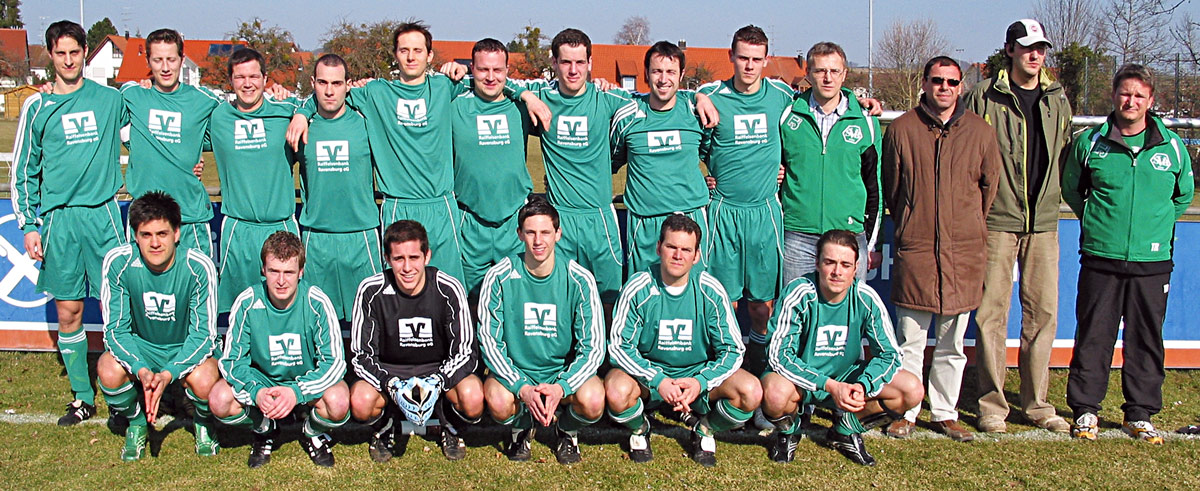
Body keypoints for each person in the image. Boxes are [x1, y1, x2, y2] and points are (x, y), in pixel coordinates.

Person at [287, 22, 548, 284]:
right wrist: (302, 112)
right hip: (398, 205)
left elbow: (489, 79)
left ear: (430, 56)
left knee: (448, 288)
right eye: (404, 50)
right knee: (399, 291)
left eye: (417, 50)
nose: (411, 57)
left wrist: (526, 94)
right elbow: (331, 91)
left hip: (441, 205)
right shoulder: (376, 93)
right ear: (395, 55)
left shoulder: (446, 86)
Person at [1062, 64, 1193, 444]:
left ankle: (1140, 413)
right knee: (1094, 335)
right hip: (1101, 256)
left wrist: (1155, 225)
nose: (1130, 101)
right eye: (1124, 93)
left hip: (1152, 262)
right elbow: (1073, 189)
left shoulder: (1171, 147)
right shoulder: (1091, 143)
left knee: (1146, 338)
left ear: (1151, 101)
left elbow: (1181, 196)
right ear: (1114, 97)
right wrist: (1098, 221)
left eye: (1139, 95)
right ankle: (1086, 410)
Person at [11, 20, 128, 425]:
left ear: (84, 53)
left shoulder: (110, 100)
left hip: (103, 217)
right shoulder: (37, 106)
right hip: (59, 222)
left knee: (119, 309)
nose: (68, 60)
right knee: (69, 312)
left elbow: (154, 124)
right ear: (51, 56)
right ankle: (82, 396)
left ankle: (122, 393)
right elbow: (25, 170)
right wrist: (29, 224)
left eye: (74, 52)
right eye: (60, 53)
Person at [881, 56, 1001, 442]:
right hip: (916, 251)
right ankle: (907, 410)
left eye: (952, 82)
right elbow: (893, 190)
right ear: (925, 83)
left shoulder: (981, 133)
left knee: (952, 344)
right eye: (937, 81)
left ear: (961, 86)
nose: (944, 88)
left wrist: (962, 229)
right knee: (909, 341)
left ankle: (945, 412)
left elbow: (988, 191)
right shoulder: (901, 129)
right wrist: (916, 223)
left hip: (963, 253)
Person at [965, 19, 1074, 434]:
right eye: (1027, 47)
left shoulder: (1056, 98)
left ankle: (1037, 403)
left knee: (1042, 313)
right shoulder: (983, 96)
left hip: (1044, 221)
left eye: (1041, 48)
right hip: (997, 220)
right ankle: (992, 404)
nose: (1035, 55)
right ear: (1009, 49)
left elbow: (1064, 155)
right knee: (992, 313)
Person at [489, 28, 639, 310]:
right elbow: (497, 79)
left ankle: (606, 354)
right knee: (562, 297)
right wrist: (527, 97)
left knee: (609, 298)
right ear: (554, 63)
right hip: (560, 217)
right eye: (566, 62)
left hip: (599, 217)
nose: (573, 70)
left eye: (580, 62)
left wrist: (698, 98)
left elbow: (651, 99)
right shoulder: (542, 95)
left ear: (590, 63)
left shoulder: (607, 98)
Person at [606, 215, 757, 467]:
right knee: (615, 390)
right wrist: (658, 380)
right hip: (651, 379)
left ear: (696, 255)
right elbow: (619, 347)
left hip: (696, 378)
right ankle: (641, 427)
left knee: (750, 391)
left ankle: (704, 429)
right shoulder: (639, 287)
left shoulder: (710, 289)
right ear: (658, 248)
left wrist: (701, 382)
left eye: (686, 249)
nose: (678, 255)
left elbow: (733, 349)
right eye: (671, 247)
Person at [762, 229, 923, 466]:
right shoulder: (799, 293)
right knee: (774, 394)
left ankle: (846, 429)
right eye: (830, 262)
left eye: (845, 265)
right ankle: (789, 432)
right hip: (802, 382)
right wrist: (829, 386)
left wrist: (862, 385)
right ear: (817, 263)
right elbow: (778, 356)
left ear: (856, 268)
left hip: (847, 379)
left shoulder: (865, 297)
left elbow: (890, 353)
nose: (837, 272)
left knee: (911, 390)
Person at [695, 25, 794, 376]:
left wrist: (864, 101)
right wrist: (697, 98)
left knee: (761, 304)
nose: (749, 66)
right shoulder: (712, 95)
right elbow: (696, 143)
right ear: (731, 57)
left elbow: (820, 106)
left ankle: (761, 363)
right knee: (725, 299)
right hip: (724, 210)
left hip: (764, 210)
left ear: (766, 61)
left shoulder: (782, 96)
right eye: (743, 58)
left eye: (756, 59)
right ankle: (727, 367)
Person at [478, 197, 606, 465]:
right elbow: (490, 342)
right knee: (499, 402)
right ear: (519, 234)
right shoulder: (499, 276)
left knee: (593, 400)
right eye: (531, 232)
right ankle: (522, 426)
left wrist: (562, 387)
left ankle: (566, 430)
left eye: (546, 232)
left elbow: (593, 348)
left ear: (558, 234)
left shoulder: (579, 278)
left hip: (560, 374)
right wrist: (522, 387)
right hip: (517, 373)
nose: (538, 241)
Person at [97, 191, 221, 461]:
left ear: (177, 233)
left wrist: (170, 373)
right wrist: (141, 369)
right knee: (107, 369)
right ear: (135, 235)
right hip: (142, 348)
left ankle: (202, 421)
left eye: (162, 234)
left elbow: (203, 335)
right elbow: (115, 330)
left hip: (183, 347)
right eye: (146, 235)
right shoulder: (118, 262)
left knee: (205, 378)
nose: (155, 243)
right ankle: (137, 422)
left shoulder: (199, 266)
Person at [209, 231, 350, 468]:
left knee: (338, 402)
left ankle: (311, 433)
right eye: (274, 271)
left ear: (301, 272)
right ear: (263, 270)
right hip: (263, 382)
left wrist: (296, 392)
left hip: (304, 381)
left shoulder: (317, 302)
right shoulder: (247, 301)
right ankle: (265, 430)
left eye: (289, 272)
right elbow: (232, 362)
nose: (281, 281)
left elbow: (335, 362)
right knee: (219, 399)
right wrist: (256, 393)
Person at [349, 220, 482, 462]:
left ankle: (448, 427)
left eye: (414, 257)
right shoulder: (371, 290)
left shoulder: (448, 287)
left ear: (427, 256)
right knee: (360, 401)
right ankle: (386, 426)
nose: (407, 267)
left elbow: (466, 351)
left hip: (438, 371)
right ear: (387, 259)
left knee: (473, 398)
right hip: (390, 372)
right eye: (399, 258)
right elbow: (361, 355)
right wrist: (389, 383)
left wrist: (439, 381)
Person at [779, 42, 882, 282]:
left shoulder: (865, 121)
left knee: (847, 314)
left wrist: (872, 241)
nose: (827, 78)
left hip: (848, 236)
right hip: (797, 236)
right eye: (820, 71)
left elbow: (874, 185)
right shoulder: (787, 114)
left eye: (834, 71)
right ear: (808, 73)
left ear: (844, 74)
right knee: (796, 311)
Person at [207, 48, 300, 313]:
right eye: (240, 77)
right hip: (239, 228)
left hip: (280, 225)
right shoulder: (218, 117)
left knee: (286, 305)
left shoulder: (286, 111)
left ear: (265, 78)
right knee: (239, 308)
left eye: (254, 76)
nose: (247, 84)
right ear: (230, 81)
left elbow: (316, 105)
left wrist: (300, 110)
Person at [611, 41, 711, 278]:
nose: (663, 79)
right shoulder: (628, 114)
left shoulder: (695, 111)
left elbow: (714, 154)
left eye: (670, 72)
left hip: (689, 219)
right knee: (644, 295)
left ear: (681, 75)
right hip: (645, 223)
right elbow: (609, 161)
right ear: (646, 73)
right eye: (657, 71)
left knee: (690, 296)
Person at [121, 28, 223, 256]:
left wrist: (194, 154)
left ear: (182, 60)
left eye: (171, 59)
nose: (165, 67)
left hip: (189, 217)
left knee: (197, 288)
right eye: (158, 60)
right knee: (143, 289)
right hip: (146, 221)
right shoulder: (132, 95)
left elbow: (232, 124)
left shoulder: (204, 100)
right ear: (148, 61)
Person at [296, 54, 382, 322]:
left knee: (371, 317)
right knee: (317, 320)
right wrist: (300, 112)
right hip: (317, 237)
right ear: (313, 83)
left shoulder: (367, 123)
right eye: (322, 82)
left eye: (336, 83)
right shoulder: (300, 125)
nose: (329, 90)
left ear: (349, 85)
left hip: (360, 235)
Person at [450, 39, 534, 299]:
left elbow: (563, 87)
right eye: (483, 69)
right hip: (470, 221)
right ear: (471, 68)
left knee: (514, 300)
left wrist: (525, 95)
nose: (490, 77)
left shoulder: (521, 106)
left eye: (497, 70)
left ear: (508, 70)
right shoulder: (454, 104)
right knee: (470, 301)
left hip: (513, 220)